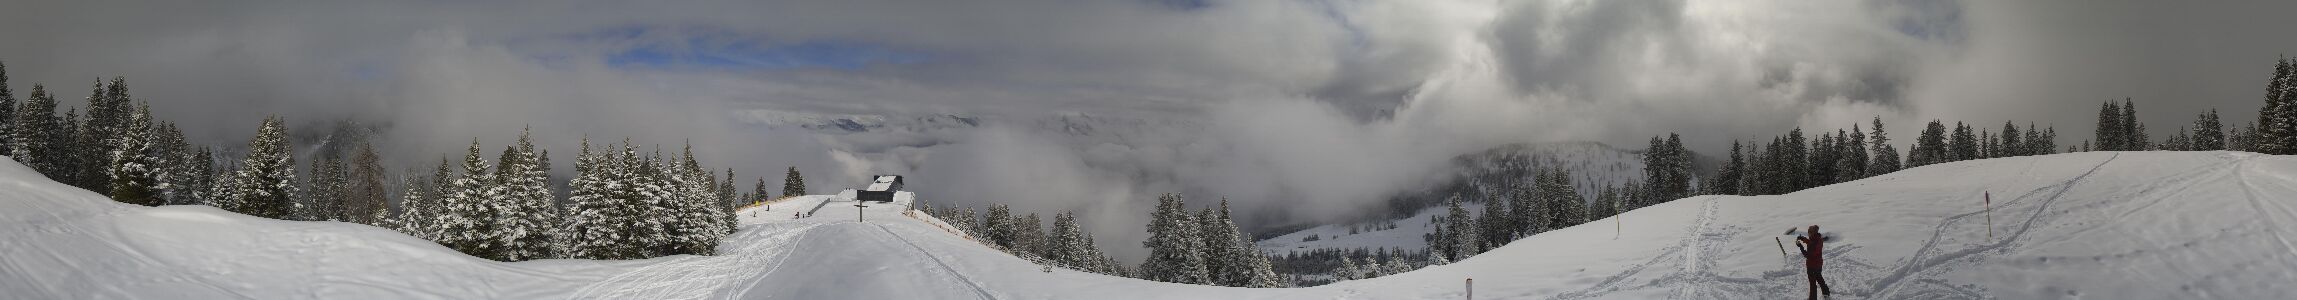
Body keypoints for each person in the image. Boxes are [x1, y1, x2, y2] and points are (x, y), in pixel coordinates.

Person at [1795, 225, 1833, 299]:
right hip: (1818, 264)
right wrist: (1803, 238)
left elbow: (1807, 255)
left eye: (1809, 232)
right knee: (1819, 278)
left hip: (1812, 266)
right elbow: (1810, 242)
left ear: (1812, 233)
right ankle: (1826, 293)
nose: (1808, 234)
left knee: (1812, 283)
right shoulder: (1818, 239)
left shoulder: (1814, 242)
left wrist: (1800, 246)